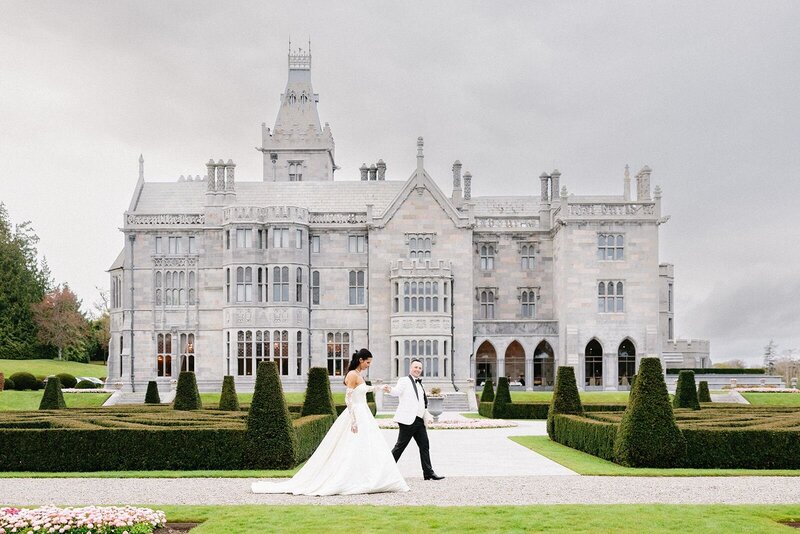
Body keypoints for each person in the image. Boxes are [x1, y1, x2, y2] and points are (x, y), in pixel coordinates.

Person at [251, 348, 409, 496]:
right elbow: (348, 399)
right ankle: (354, 479)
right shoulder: (353, 375)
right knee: (352, 446)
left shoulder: (358, 375)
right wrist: (353, 421)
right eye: (367, 362)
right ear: (361, 360)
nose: (369, 365)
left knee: (368, 445)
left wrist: (380, 387)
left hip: (363, 413)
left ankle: (369, 477)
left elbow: (364, 390)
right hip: (356, 414)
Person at [384, 358, 444, 481]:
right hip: (407, 420)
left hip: (419, 420)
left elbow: (421, 402)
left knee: (425, 445)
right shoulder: (404, 380)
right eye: (415, 367)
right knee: (400, 446)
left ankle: (428, 473)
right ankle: (384, 470)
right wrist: (389, 389)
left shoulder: (420, 384)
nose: (417, 370)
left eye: (420, 368)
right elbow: (397, 391)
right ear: (410, 368)